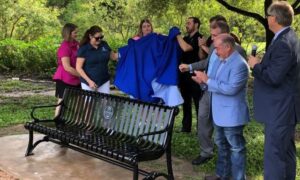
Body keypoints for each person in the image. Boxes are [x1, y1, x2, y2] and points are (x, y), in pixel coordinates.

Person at [179, 21, 246, 165]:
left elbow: (234, 84)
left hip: (223, 95)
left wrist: (208, 80)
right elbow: (205, 64)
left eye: (215, 35)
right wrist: (190, 67)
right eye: (212, 35)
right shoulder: (214, 46)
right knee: (203, 119)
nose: (212, 38)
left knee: (223, 131)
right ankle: (206, 152)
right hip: (208, 90)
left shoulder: (238, 52)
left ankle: (228, 163)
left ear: (225, 35)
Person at [248, 1, 300, 179]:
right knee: (286, 154)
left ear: (275, 18)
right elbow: (280, 71)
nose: (266, 18)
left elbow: (273, 78)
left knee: (274, 156)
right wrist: (265, 64)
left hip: (280, 110)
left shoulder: (284, 42)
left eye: (268, 15)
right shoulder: (287, 37)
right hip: (283, 108)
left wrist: (255, 66)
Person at [193, 34, 249, 180]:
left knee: (236, 150)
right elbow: (214, 82)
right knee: (222, 147)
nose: (215, 51)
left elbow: (231, 89)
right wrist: (202, 82)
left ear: (228, 47)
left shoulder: (240, 64)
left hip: (232, 116)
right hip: (219, 113)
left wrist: (207, 80)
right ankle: (221, 175)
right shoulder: (220, 59)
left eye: (217, 48)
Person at [76, 25, 118, 94]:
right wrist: (89, 81)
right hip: (88, 82)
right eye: (97, 38)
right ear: (90, 36)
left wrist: (126, 52)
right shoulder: (84, 49)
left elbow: (113, 57)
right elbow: (78, 68)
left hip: (104, 80)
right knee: (89, 104)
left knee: (105, 103)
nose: (99, 39)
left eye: (101, 37)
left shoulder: (104, 44)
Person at [179, 17, 203, 133]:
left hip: (196, 75)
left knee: (198, 103)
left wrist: (177, 35)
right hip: (184, 76)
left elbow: (186, 48)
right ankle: (186, 127)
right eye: (186, 23)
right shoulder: (185, 38)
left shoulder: (199, 38)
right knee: (185, 102)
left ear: (196, 24)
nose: (186, 25)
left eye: (189, 23)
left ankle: (200, 129)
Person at [53, 23, 81, 117]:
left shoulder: (77, 44)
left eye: (77, 32)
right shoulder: (64, 47)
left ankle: (78, 122)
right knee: (62, 101)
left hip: (75, 78)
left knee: (79, 101)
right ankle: (57, 120)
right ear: (68, 33)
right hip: (64, 78)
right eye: (75, 32)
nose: (77, 34)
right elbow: (67, 67)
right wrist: (82, 75)